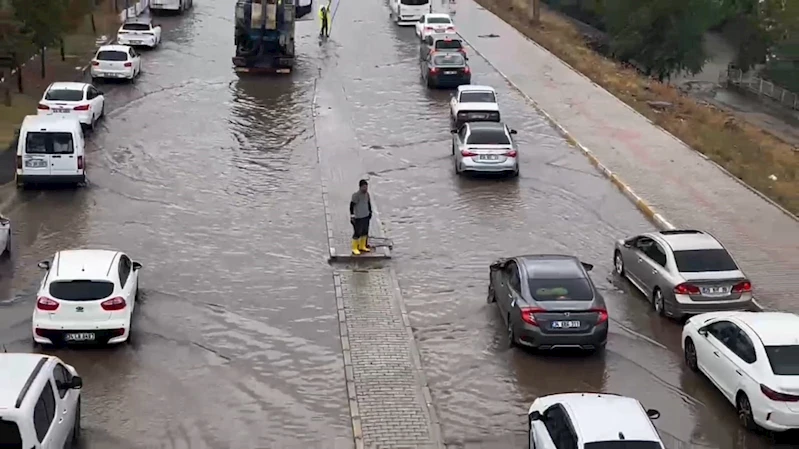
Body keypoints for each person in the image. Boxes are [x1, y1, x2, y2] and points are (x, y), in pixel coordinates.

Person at [350, 179, 372, 255]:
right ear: (360, 187)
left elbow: (369, 203)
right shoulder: (356, 195)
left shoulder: (367, 195)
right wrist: (352, 215)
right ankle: (354, 248)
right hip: (358, 217)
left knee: (365, 231)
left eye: (366, 187)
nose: (365, 189)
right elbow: (351, 205)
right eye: (364, 187)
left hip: (366, 216)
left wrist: (370, 212)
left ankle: (362, 246)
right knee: (357, 232)